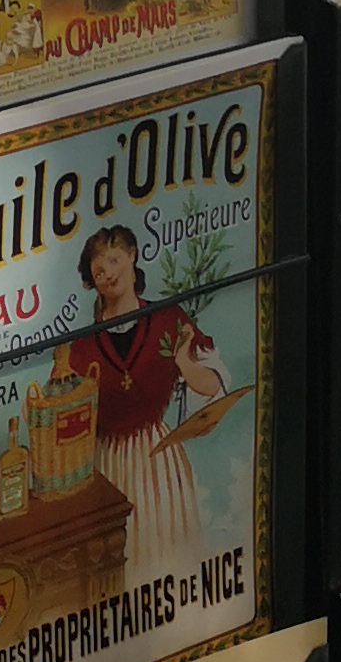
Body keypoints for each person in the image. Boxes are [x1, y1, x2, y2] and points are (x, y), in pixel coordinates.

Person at [56, 224, 226, 557]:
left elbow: (212, 387)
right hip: (108, 467)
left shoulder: (169, 319)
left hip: (159, 464)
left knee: (165, 552)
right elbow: (55, 415)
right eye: (99, 271)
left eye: (115, 261)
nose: (109, 274)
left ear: (133, 257)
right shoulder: (80, 348)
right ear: (92, 282)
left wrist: (183, 362)